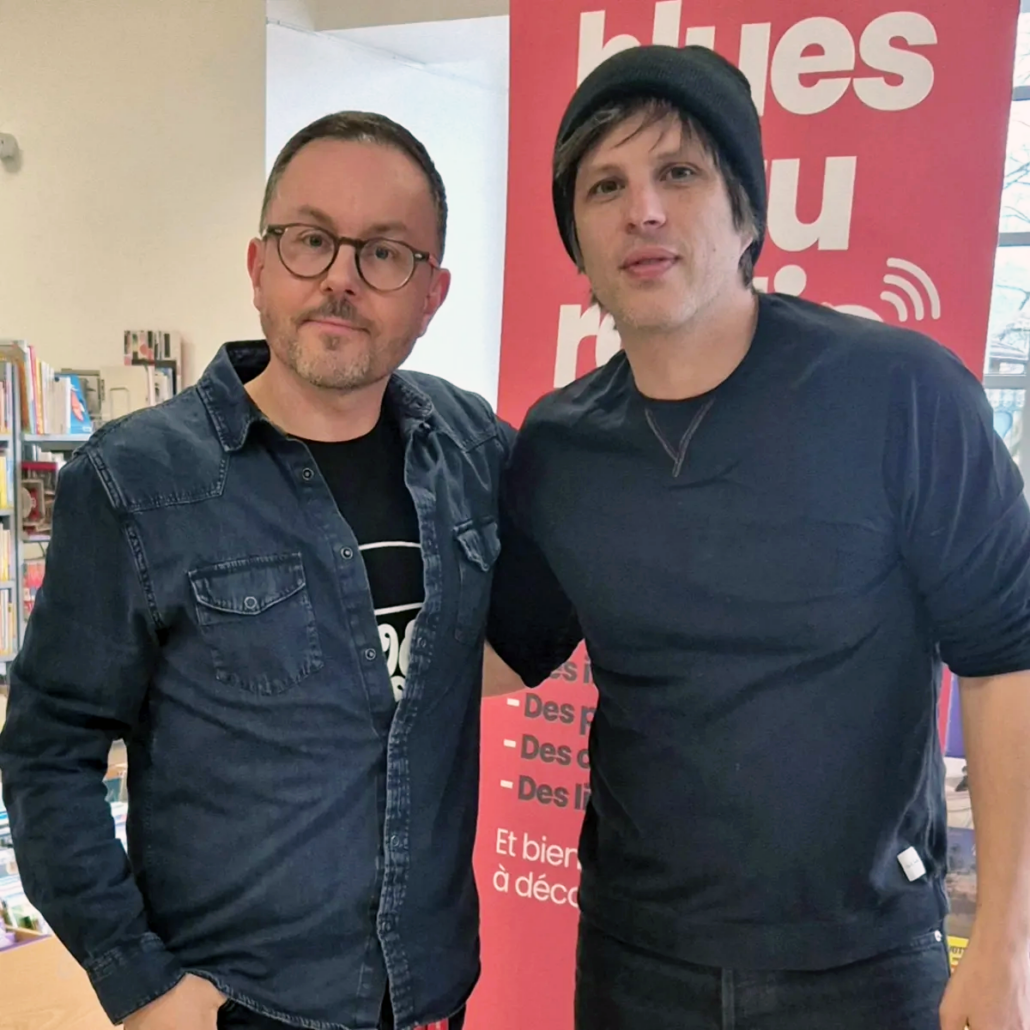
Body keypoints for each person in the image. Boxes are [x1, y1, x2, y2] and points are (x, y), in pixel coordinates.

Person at [486, 44, 1030, 1030]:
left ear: (747, 215)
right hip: (635, 960)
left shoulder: (898, 394)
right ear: (577, 239)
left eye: (678, 172)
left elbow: (1007, 658)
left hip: (862, 964)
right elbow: (497, 651)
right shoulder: (560, 444)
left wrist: (1004, 944)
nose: (642, 210)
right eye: (605, 185)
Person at [0, 111, 508, 1030]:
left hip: (430, 995)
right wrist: (140, 984)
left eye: (384, 253)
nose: (341, 278)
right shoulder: (133, 481)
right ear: (259, 265)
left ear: (433, 294)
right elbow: (47, 755)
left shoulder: (472, 449)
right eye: (310, 240)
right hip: (238, 1007)